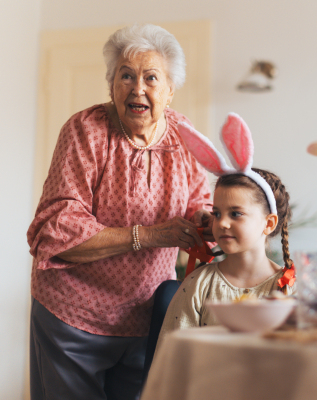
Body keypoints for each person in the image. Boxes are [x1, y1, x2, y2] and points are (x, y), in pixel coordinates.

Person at [26, 24, 213, 400]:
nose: (137, 88)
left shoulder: (182, 134)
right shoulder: (86, 130)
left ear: (170, 90)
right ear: (111, 84)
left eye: (151, 78)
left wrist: (207, 220)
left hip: (146, 316)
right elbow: (58, 230)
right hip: (73, 318)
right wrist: (150, 235)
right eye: (125, 76)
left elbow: (198, 200)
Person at [155, 114, 296, 351]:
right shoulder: (198, 285)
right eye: (217, 213)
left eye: (236, 214)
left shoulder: (289, 288)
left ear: (269, 224)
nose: (222, 224)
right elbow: (173, 359)